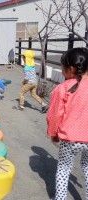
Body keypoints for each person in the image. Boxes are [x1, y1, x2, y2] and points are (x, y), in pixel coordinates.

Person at [47, 48, 88, 200]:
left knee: (64, 168)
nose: (61, 69)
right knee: (87, 166)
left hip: (70, 139)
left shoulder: (62, 88)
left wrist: (53, 134)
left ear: (70, 69)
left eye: (62, 66)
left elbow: (54, 115)